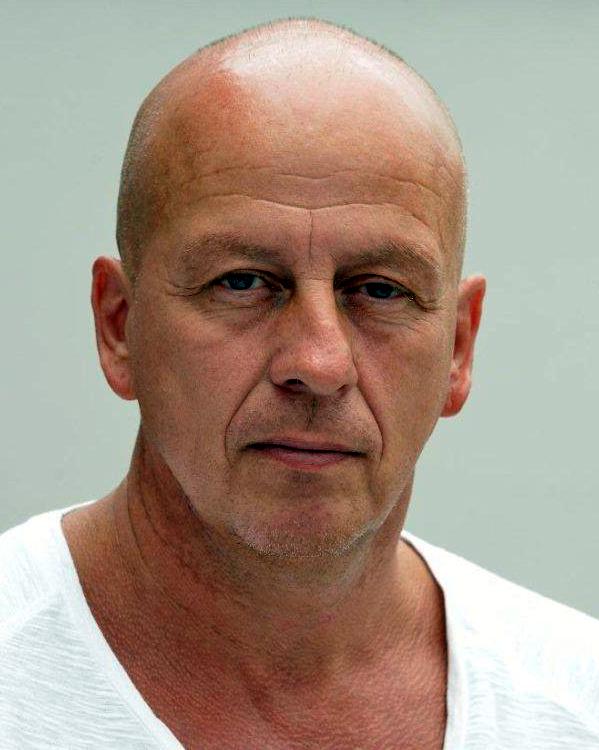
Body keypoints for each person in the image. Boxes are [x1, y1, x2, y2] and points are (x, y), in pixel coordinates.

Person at [1, 18, 598, 750]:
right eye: (242, 281)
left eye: (379, 290)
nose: (318, 363)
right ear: (119, 326)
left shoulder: (578, 704)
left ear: (457, 348)